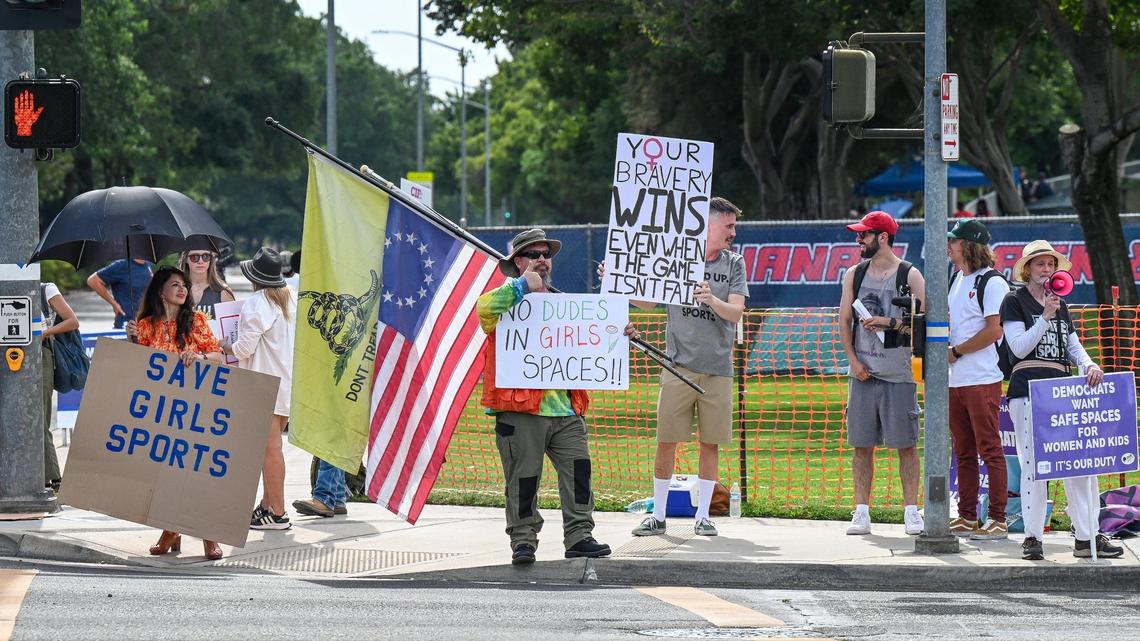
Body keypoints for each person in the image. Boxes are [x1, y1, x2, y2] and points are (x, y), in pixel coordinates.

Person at [477, 228, 633, 565]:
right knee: (523, 479)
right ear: (518, 262)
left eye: (546, 254)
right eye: (534, 254)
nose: (542, 260)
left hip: (566, 410)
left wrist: (619, 333)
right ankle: (523, 540)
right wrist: (522, 287)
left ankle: (579, 535)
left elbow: (593, 341)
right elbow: (482, 310)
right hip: (519, 411)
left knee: (579, 473)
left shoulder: (564, 304)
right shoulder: (506, 298)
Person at [629, 197, 747, 538]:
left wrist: (712, 300)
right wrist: (621, 284)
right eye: (728, 226)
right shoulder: (677, 259)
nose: (732, 233)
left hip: (718, 368)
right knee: (667, 439)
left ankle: (703, 516)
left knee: (710, 442)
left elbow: (736, 312)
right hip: (677, 366)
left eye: (733, 226)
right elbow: (649, 302)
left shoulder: (734, 263)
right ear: (707, 226)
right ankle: (659, 514)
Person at [1000, 240, 1123, 560]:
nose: (1047, 270)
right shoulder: (1014, 301)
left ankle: (1086, 537)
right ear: (1028, 269)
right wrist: (1043, 316)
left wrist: (1089, 365)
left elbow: (1072, 345)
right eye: (1041, 264)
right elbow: (1018, 347)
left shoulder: (1060, 304)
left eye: (1051, 264)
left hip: (1061, 392)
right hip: (1027, 389)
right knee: (1033, 468)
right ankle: (1032, 537)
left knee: (1078, 465)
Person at [126, 266, 225, 560]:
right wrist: (132, 340)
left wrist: (199, 356)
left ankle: (209, 534)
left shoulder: (195, 320)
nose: (182, 289)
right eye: (175, 285)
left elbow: (219, 357)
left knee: (196, 471)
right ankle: (171, 529)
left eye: (184, 285)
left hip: (194, 407)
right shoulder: (145, 326)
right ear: (160, 290)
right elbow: (138, 369)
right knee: (165, 472)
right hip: (160, 409)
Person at [838, 211, 925, 536]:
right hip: (862, 375)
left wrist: (891, 323)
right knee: (861, 445)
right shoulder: (855, 274)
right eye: (858, 234)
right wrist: (853, 361)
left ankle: (911, 511)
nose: (858, 240)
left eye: (863, 234)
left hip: (899, 375)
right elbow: (844, 320)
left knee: (906, 445)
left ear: (883, 237)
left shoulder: (910, 274)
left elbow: (926, 325)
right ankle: (861, 511)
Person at [221, 247, 297, 532]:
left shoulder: (256, 303)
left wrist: (223, 344)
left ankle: (278, 512)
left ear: (254, 278)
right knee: (271, 449)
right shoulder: (288, 298)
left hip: (262, 382)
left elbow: (243, 348)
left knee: (269, 450)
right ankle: (267, 505)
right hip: (284, 380)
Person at [946, 219, 1009, 540]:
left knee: (990, 449)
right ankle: (968, 516)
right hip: (955, 380)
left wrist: (956, 351)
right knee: (964, 451)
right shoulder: (956, 278)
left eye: (954, 241)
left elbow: (994, 329)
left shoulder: (992, 281)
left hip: (982, 377)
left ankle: (998, 518)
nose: (949, 245)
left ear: (969, 245)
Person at [289, 248, 350, 519]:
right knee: (332, 429)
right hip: (332, 369)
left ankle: (324, 495)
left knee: (328, 432)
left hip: (327, 369)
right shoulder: (334, 287)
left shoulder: (305, 290)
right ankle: (335, 494)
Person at [39, 281, 79, 492]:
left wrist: (45, 333)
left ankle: (52, 477)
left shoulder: (46, 288)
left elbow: (72, 321)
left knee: (40, 418)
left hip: (40, 354)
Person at [87, 258, 153, 329]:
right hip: (126, 325)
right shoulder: (121, 265)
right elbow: (93, 280)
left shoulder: (148, 265)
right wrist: (114, 304)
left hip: (144, 324)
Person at [177, 241, 235, 319]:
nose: (200, 261)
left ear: (211, 259)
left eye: (206, 256)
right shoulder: (175, 291)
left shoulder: (223, 293)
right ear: (186, 259)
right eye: (194, 257)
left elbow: (230, 329)